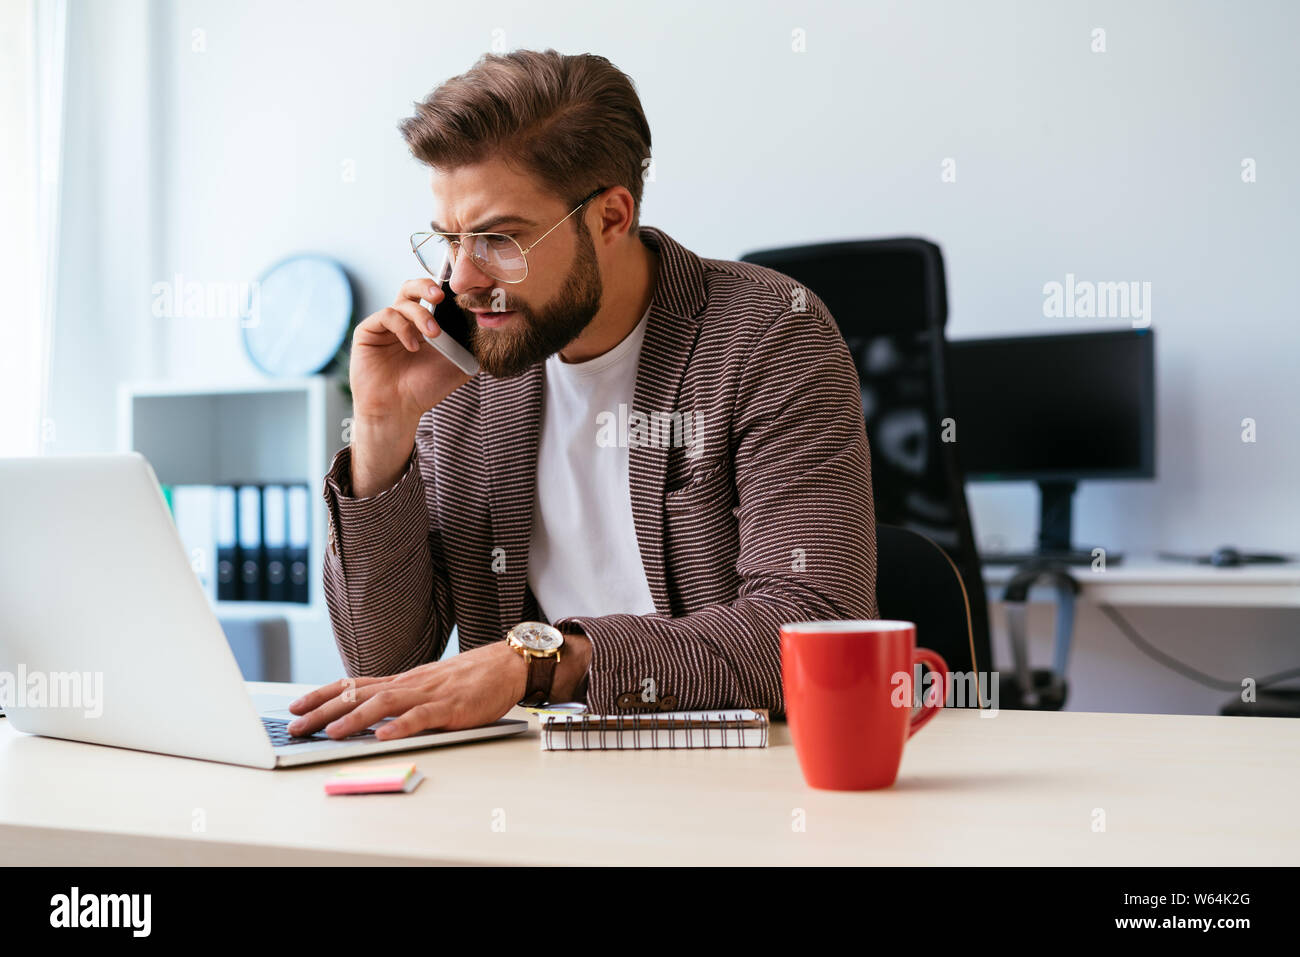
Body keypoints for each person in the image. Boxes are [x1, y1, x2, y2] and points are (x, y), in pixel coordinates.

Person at [287, 48, 877, 741]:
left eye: (499, 239)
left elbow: (810, 623)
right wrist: (383, 432)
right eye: (449, 240)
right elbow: (385, 663)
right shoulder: (466, 365)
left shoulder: (769, 336)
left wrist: (539, 663)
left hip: (738, 779)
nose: (463, 278)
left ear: (610, 216)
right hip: (536, 781)